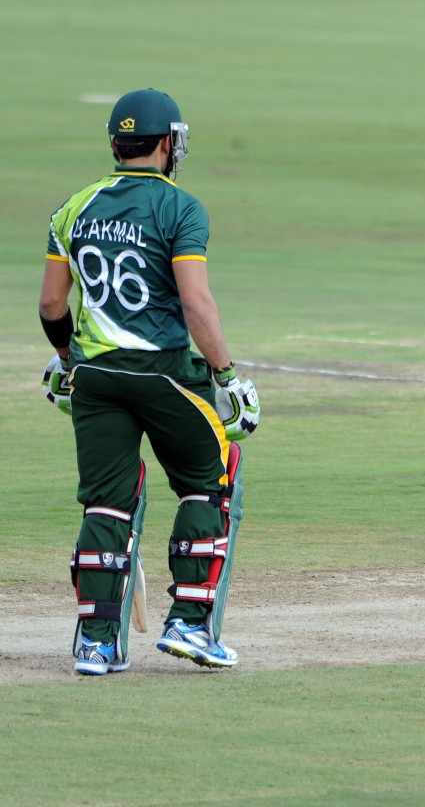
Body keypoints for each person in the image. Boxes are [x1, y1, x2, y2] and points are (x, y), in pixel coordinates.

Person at [39, 88, 260, 673]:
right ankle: (190, 624)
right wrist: (226, 374)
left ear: (116, 144)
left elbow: (51, 304)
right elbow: (196, 303)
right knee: (211, 479)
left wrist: (67, 362)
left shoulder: (73, 207)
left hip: (95, 377)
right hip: (163, 374)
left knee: (106, 504)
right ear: (168, 145)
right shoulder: (181, 209)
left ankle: (96, 642)